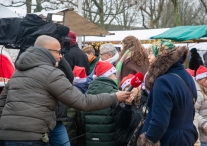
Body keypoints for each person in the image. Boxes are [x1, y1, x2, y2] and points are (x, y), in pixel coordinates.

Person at [0, 35, 131, 146]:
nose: (61, 56)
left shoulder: (18, 73)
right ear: (47, 51)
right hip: (32, 136)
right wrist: (114, 97)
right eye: (58, 52)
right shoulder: (50, 74)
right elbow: (82, 101)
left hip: (7, 135)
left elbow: (2, 103)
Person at [137, 39, 198, 146]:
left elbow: (159, 122)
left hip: (168, 140)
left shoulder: (163, 81)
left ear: (160, 57)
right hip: (186, 137)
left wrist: (148, 140)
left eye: (152, 53)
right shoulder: (187, 76)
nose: (149, 57)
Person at [80, 61, 118, 146]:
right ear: (108, 75)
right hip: (110, 141)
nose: (115, 77)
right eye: (114, 74)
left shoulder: (86, 94)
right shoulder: (116, 94)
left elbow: (82, 120)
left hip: (90, 141)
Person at [113, 74, 147, 146]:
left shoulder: (146, 100)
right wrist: (127, 107)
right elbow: (121, 123)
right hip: (126, 142)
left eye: (134, 87)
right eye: (127, 87)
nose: (132, 89)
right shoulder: (119, 105)